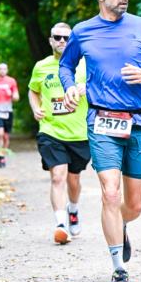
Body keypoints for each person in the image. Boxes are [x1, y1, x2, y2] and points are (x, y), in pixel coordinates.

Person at [59, 0, 141, 282]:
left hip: (139, 120)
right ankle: (118, 269)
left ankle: (121, 223)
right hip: (102, 120)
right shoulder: (83, 31)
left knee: (134, 205)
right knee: (110, 191)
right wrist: (69, 87)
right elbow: (66, 65)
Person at [28, 22, 89, 245]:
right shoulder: (41, 66)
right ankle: (61, 224)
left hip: (79, 132)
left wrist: (86, 89)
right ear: (51, 40)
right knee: (58, 176)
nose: (62, 41)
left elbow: (102, 87)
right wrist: (35, 108)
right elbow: (33, 91)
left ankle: (73, 210)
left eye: (66, 38)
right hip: (51, 130)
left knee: (74, 179)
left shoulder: (84, 65)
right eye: (58, 37)